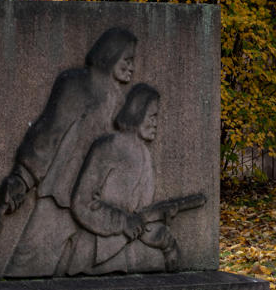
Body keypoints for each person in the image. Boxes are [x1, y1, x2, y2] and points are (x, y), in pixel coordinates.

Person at [0, 27, 138, 278]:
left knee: (101, 277)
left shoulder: (120, 101)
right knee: (26, 269)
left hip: (97, 204)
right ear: (110, 54)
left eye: (133, 61)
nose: (132, 68)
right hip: (60, 196)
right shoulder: (76, 84)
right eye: (127, 60)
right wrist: (23, 177)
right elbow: (49, 132)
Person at [55, 83, 181, 276]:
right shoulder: (108, 146)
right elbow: (82, 202)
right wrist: (122, 222)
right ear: (137, 113)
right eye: (152, 116)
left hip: (127, 256)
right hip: (93, 254)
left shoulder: (145, 155)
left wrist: (163, 232)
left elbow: (139, 217)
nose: (156, 123)